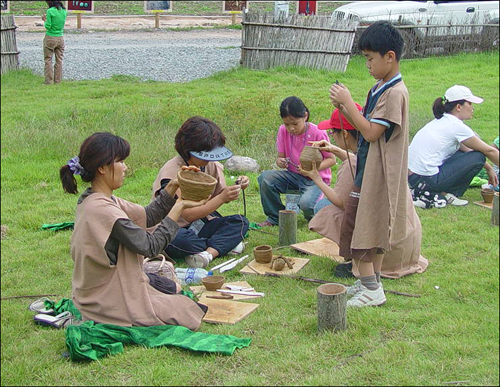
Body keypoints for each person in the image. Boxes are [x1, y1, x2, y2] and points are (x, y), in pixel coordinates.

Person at [60, 132, 207, 329]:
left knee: (173, 289)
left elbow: (148, 216)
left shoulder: (97, 197)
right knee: (185, 311)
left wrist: (174, 184)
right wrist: (179, 207)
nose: (126, 167)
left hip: (98, 288)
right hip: (106, 298)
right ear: (102, 168)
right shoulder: (102, 209)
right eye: (120, 161)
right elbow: (150, 246)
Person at [328, 21, 411, 307]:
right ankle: (371, 283)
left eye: (370, 58)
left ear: (390, 57)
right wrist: (346, 109)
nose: (367, 65)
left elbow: (372, 133)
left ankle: (372, 291)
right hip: (368, 167)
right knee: (372, 227)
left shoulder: (395, 93)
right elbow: (366, 126)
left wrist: (348, 103)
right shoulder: (381, 87)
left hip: (378, 174)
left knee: (361, 228)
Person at [305, 106, 428, 280]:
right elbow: (356, 159)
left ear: (345, 135)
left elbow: (343, 202)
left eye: (333, 132)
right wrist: (335, 149)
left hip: (384, 252)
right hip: (406, 247)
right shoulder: (379, 152)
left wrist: (316, 178)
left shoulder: (352, 165)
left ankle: (359, 263)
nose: (332, 135)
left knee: (324, 208)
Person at [151, 116, 249, 268]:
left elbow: (220, 194)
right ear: (189, 149)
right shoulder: (171, 173)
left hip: (200, 223)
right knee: (184, 242)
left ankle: (207, 254)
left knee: (240, 222)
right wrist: (222, 198)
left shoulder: (211, 165)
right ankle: (221, 246)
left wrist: (236, 187)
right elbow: (188, 214)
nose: (210, 158)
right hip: (173, 228)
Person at [408, 85, 499, 207]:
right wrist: (487, 166)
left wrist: (489, 168)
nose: (472, 108)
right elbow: (488, 151)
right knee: (478, 157)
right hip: (426, 180)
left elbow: (466, 148)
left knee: (471, 154)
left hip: (414, 178)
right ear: (459, 107)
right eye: (470, 104)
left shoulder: (442, 121)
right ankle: (449, 193)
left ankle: (440, 192)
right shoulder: (456, 126)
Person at [257, 96, 336, 226]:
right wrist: (280, 161)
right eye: (287, 124)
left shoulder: (317, 132)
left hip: (315, 179)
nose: (291, 128)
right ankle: (275, 217)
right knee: (265, 178)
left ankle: (320, 215)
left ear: (305, 116)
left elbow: (331, 160)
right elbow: (279, 157)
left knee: (307, 205)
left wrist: (311, 170)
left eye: (295, 124)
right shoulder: (283, 131)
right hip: (293, 176)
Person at [42, 1, 67, 84]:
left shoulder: (50, 11)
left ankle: (48, 81)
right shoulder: (64, 11)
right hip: (60, 37)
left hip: (50, 37)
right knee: (59, 60)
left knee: (48, 59)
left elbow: (48, 26)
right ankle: (58, 81)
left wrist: (45, 20)